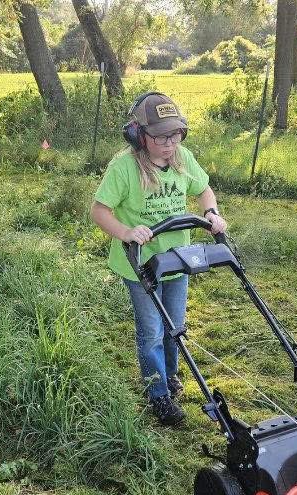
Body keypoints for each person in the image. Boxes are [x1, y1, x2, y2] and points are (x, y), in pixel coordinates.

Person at [90, 92, 228, 426]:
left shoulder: (183, 157)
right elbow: (99, 210)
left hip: (177, 259)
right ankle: (158, 394)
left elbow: (204, 189)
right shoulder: (124, 166)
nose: (169, 143)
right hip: (140, 264)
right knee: (151, 331)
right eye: (160, 136)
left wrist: (210, 212)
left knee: (174, 326)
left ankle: (171, 375)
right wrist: (126, 232)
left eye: (175, 134)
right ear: (139, 135)